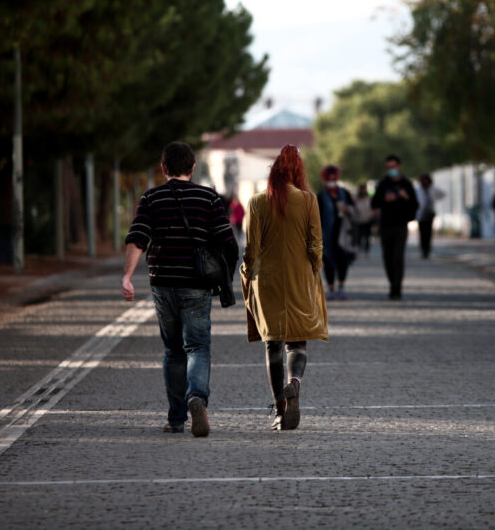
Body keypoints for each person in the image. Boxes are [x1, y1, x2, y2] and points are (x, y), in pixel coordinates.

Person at [121, 141, 238, 437]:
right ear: (192, 168)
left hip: (162, 282)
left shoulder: (151, 198)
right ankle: (196, 397)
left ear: (163, 169)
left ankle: (176, 419)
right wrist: (226, 279)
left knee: (173, 350)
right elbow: (228, 243)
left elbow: (138, 238)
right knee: (197, 346)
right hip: (196, 283)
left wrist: (127, 277)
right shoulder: (208, 198)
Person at [240, 144, 328, 431]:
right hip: (300, 277)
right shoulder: (308, 200)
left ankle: (279, 408)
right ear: (298, 171)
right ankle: (294, 383)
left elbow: (251, 249)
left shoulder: (256, 202)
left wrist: (245, 274)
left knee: (273, 344)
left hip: (267, 282)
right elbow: (315, 244)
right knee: (298, 340)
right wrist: (314, 268)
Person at [370, 155, 418, 300]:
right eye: (388, 167)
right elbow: (374, 203)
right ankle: (392, 283)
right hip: (385, 226)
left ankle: (397, 288)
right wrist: (384, 199)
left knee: (398, 257)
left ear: (399, 166)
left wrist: (406, 198)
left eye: (393, 167)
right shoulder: (383, 184)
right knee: (388, 257)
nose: (391, 170)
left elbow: (415, 205)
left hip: (400, 226)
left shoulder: (407, 184)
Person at [317, 164, 356, 300]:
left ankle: (342, 287)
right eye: (329, 178)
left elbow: (354, 210)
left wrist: (347, 210)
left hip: (344, 232)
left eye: (334, 178)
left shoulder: (344, 193)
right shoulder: (321, 196)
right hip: (327, 233)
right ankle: (331, 288)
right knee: (328, 260)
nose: (332, 181)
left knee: (343, 260)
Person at [415, 174, 445, 259]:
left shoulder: (433, 188)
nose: (425, 182)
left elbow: (442, 194)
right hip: (421, 213)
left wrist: (434, 199)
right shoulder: (417, 189)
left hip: (430, 213)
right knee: (422, 232)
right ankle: (423, 250)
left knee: (428, 232)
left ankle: (427, 250)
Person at [353, 183, 374, 254]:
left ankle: (366, 249)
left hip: (368, 219)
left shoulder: (369, 198)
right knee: (359, 235)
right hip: (359, 220)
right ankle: (359, 248)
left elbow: (371, 208)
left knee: (367, 235)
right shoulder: (356, 198)